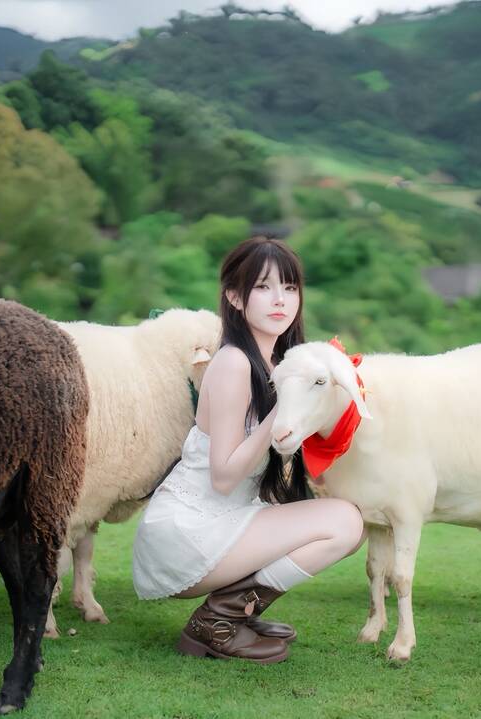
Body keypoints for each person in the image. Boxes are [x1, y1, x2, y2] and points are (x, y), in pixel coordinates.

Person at [131, 236, 365, 664]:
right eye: (263, 287)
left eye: (290, 287)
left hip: (224, 520)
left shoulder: (279, 363)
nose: (280, 299)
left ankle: (238, 613)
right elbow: (223, 477)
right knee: (345, 523)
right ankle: (218, 620)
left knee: (351, 522)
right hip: (188, 530)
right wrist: (281, 412)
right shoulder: (234, 363)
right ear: (235, 298)